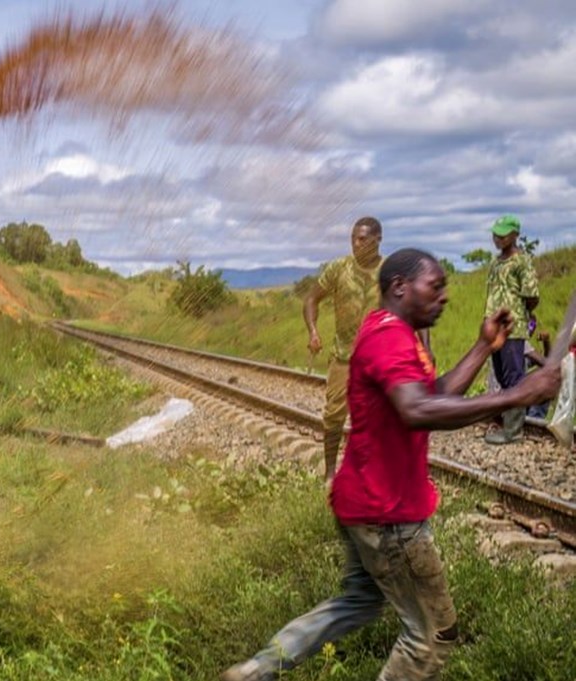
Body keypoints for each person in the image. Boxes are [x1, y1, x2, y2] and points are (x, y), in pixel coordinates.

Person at [222, 249, 560, 681]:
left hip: (364, 500)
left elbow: (431, 394)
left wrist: (482, 347)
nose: (444, 296)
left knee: (359, 600)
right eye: (434, 286)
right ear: (400, 287)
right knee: (432, 636)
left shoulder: (393, 332)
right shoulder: (389, 338)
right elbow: (416, 411)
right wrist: (518, 395)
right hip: (389, 515)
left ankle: (255, 671)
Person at [303, 216, 383, 481]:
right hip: (343, 356)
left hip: (377, 358)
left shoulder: (389, 271)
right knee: (334, 414)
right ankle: (329, 473)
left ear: (377, 240)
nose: (355, 244)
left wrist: (423, 346)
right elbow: (312, 298)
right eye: (352, 239)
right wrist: (313, 330)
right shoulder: (339, 268)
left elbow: (413, 307)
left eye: (362, 239)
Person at [483, 214, 540, 444]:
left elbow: (531, 295)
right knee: (501, 376)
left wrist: (520, 315)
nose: (498, 238)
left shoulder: (521, 261)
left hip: (512, 329)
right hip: (494, 328)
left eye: (503, 234)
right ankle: (507, 423)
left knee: (514, 377)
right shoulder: (495, 263)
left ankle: (514, 431)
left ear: (515, 235)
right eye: (496, 234)